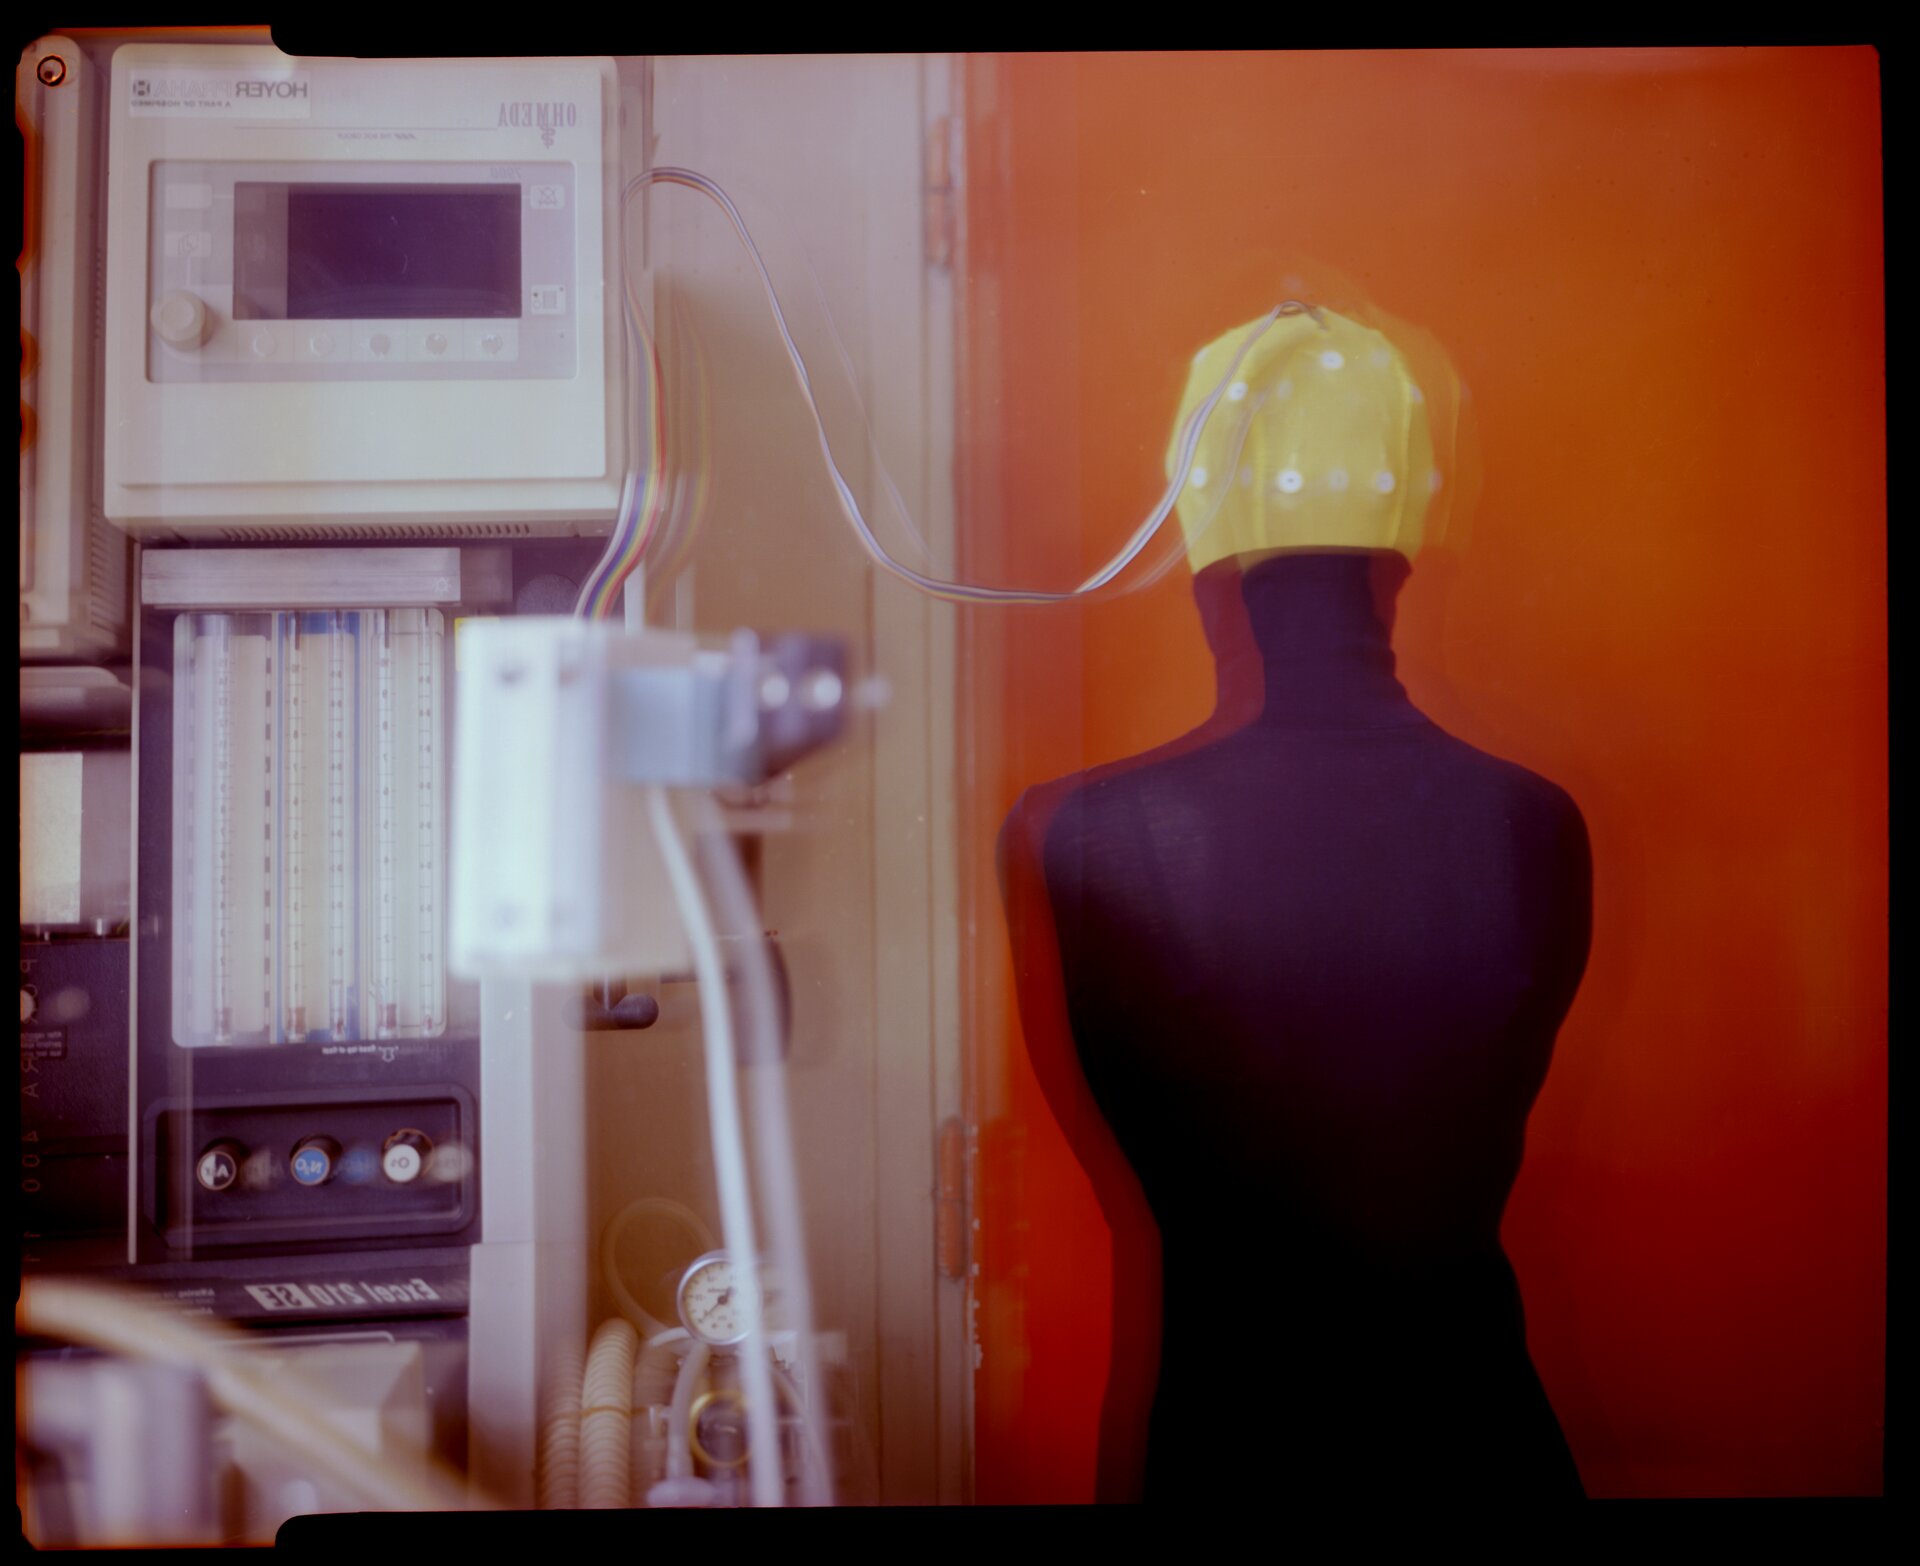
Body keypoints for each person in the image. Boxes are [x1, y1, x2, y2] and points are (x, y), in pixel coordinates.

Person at [999, 305, 1590, 1501]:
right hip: (1483, 1450)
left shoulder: (1080, 836)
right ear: (1401, 563)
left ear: (1206, 569)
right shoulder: (1537, 825)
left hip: (1228, 1450)